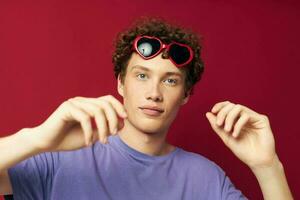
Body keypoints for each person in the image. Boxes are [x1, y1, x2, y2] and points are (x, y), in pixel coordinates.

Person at [0, 16, 293, 200]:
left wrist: (268, 167)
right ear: (120, 84)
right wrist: (37, 138)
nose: (154, 93)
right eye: (142, 75)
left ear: (186, 94)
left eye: (170, 80)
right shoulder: (57, 158)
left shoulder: (205, 179)